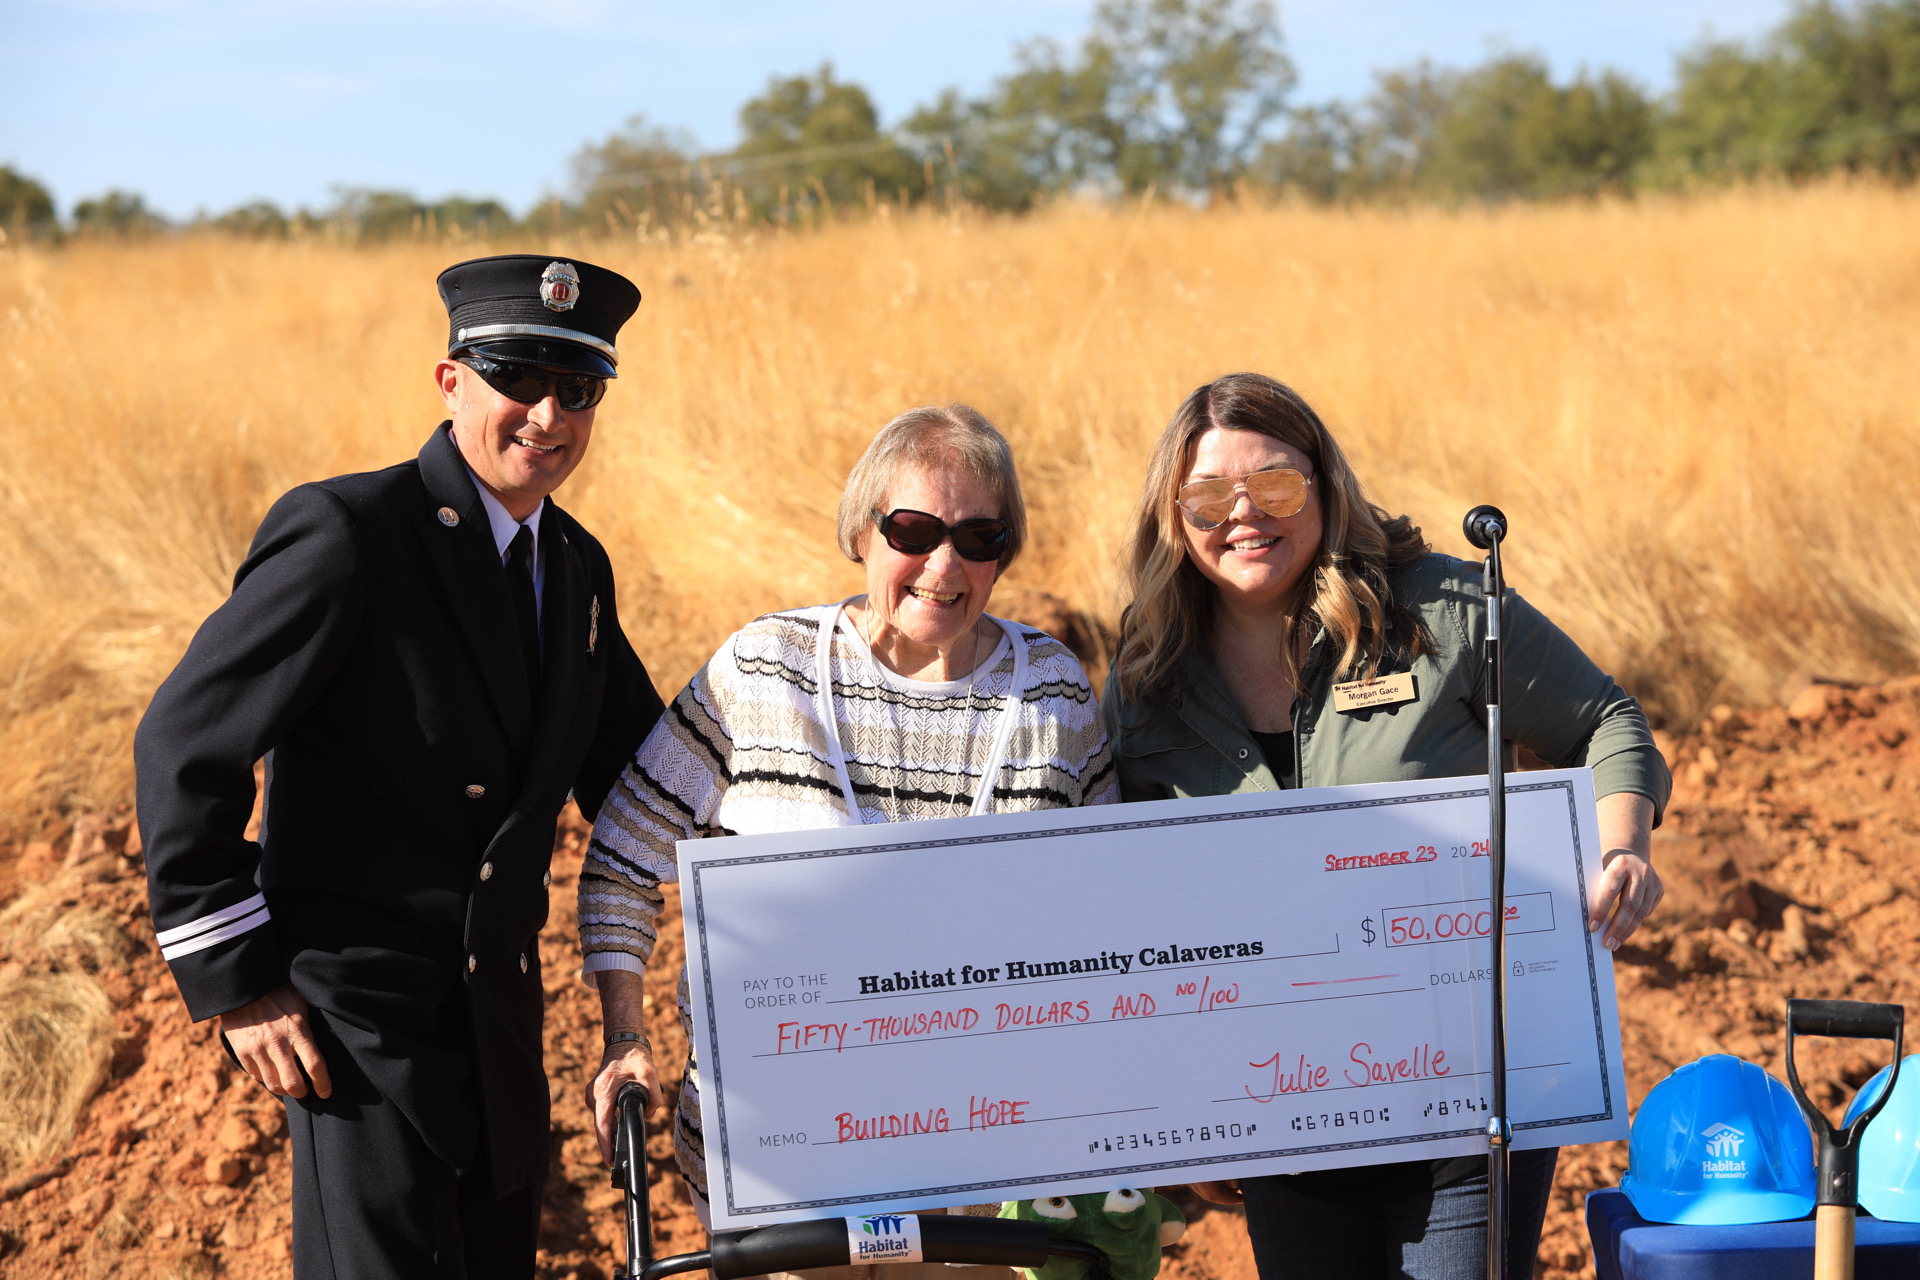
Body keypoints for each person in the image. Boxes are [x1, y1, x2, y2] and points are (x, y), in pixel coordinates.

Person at [135, 254, 666, 1280]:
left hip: (501, 1041)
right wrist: (235, 979)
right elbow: (182, 740)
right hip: (359, 1040)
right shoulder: (352, 534)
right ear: (451, 379)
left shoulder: (576, 566)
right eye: (519, 379)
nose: (548, 415)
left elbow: (644, 778)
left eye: (580, 390)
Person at [1100, 372, 1669, 1280]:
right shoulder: (1143, 686)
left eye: (1278, 485)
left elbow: (1606, 720)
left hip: (1476, 1091)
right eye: (1210, 495)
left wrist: (1622, 847)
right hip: (1278, 1109)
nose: (1246, 514)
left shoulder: (1439, 612)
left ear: (1326, 486)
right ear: (1172, 516)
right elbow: (1132, 909)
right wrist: (1186, 1113)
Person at [580, 404, 1119, 1276]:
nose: (945, 565)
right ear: (862, 532)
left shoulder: (1053, 694)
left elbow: (1109, 908)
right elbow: (621, 857)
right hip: (769, 1177)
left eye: (981, 537)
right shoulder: (764, 670)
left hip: (967, 1183)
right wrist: (623, 1035)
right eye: (914, 529)